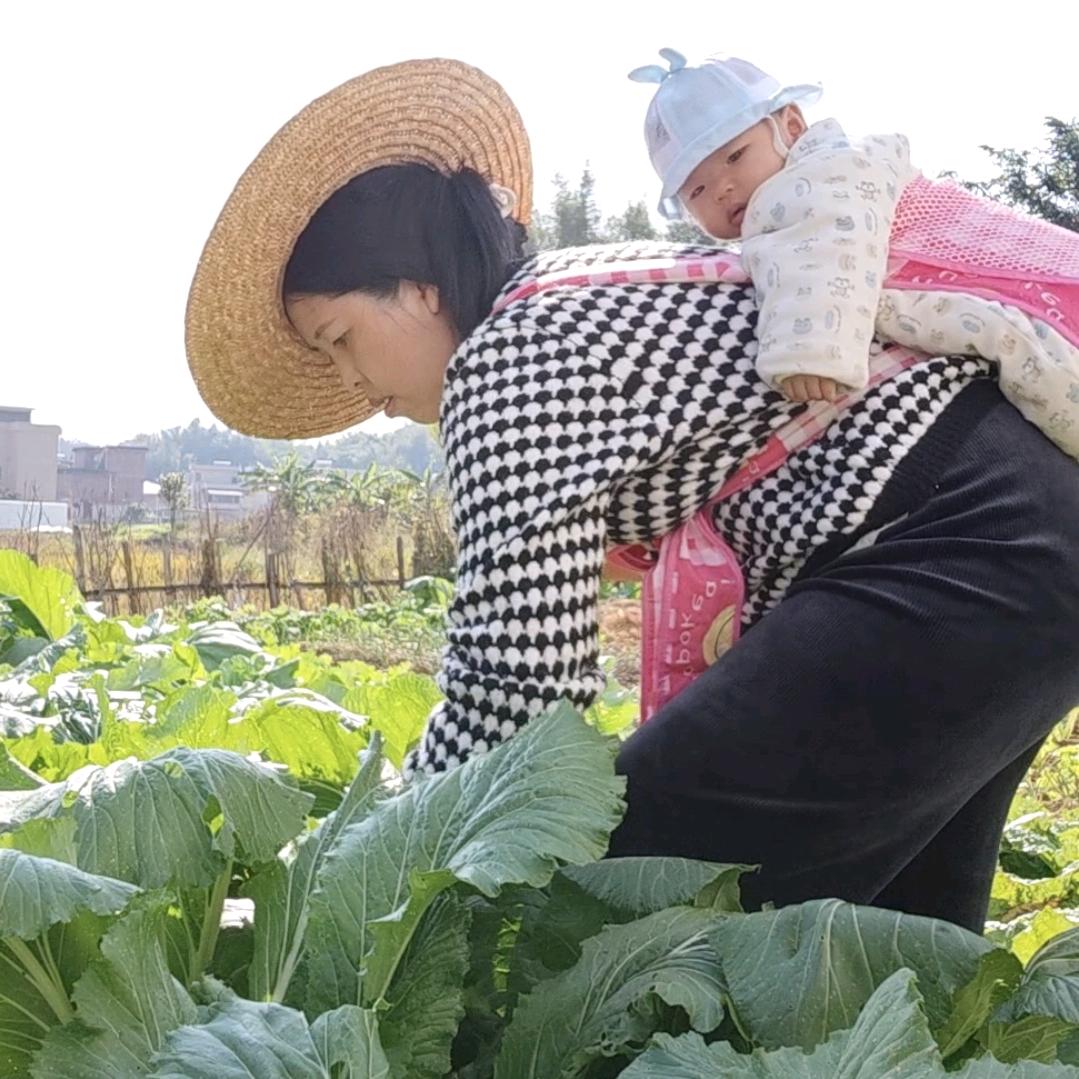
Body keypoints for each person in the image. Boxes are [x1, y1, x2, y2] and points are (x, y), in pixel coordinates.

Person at [186, 58, 1079, 933]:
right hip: (1016, 527)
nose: (353, 382)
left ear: (418, 290)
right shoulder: (571, 299)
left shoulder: (507, 357)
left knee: (617, 900)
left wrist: (362, 862)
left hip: (959, 541)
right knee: (895, 939)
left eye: (340, 338)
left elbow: (517, 690)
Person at [629, 50, 1079, 460]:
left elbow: (829, 244)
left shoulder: (822, 173)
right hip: (977, 283)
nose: (722, 188)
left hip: (994, 290)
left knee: (1046, 373)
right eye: (698, 190)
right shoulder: (785, 208)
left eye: (734, 156)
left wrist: (809, 351)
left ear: (791, 128)